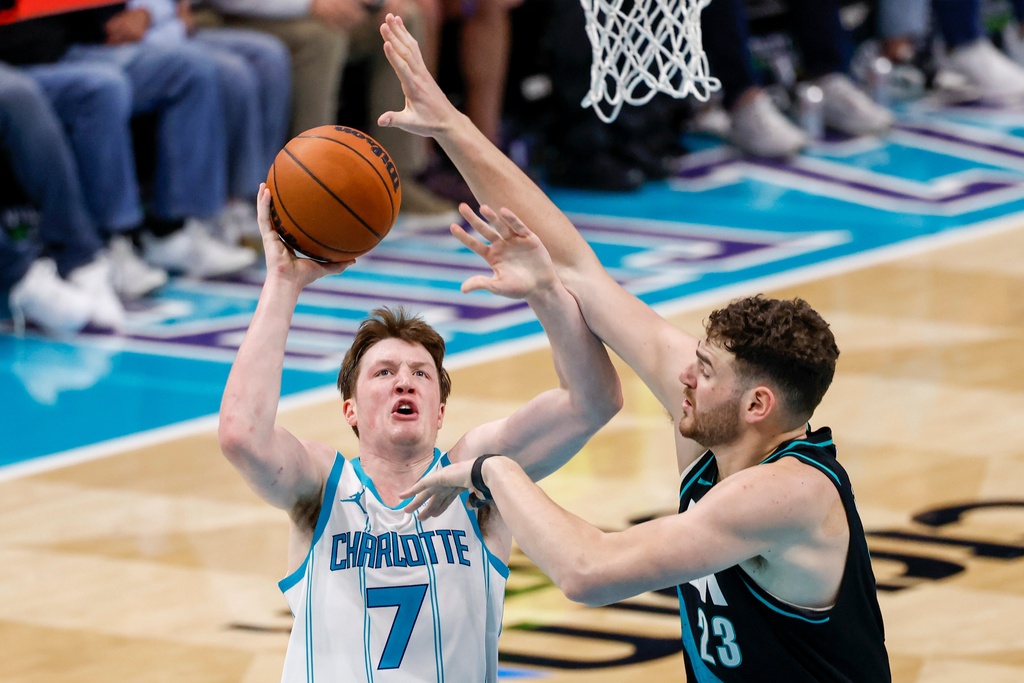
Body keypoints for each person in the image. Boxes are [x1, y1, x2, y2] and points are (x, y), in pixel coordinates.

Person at [376, 13, 891, 679]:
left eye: (705, 370)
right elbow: (578, 267)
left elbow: (589, 571)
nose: (683, 377)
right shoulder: (722, 426)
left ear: (758, 402)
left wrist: (492, 468)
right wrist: (452, 126)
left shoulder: (788, 494)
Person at [217, 184, 621, 680]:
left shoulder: (479, 478)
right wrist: (282, 281)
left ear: (440, 412)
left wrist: (546, 291)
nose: (404, 380)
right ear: (351, 410)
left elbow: (595, 401)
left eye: (420, 373)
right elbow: (241, 434)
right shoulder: (322, 487)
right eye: (383, 373)